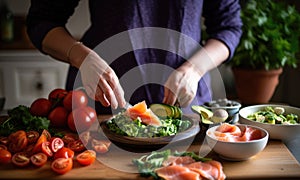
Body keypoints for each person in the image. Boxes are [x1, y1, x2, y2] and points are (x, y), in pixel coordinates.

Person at [26, 0, 242, 114]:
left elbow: (229, 27)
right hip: (101, 107)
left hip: (186, 108)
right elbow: (42, 20)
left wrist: (194, 70)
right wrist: (81, 57)